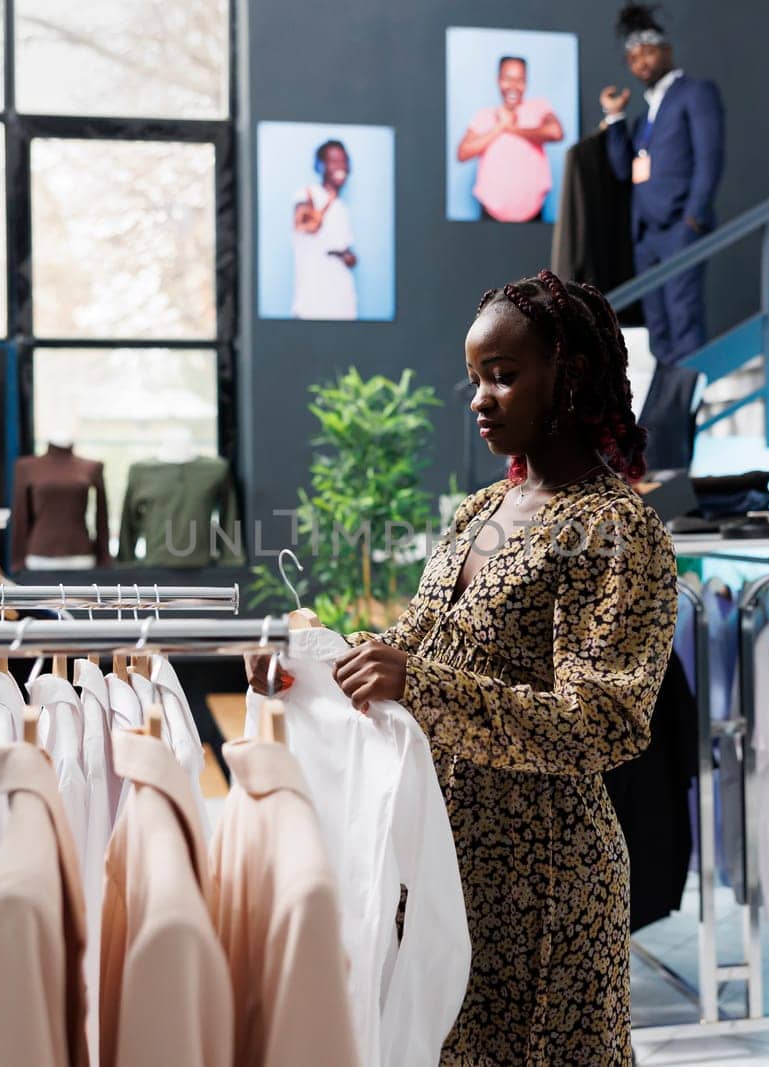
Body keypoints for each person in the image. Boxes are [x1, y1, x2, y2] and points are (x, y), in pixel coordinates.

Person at [248, 269, 676, 1065]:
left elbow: (605, 722)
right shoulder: (477, 510)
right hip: (441, 858)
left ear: (571, 376)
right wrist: (308, 665)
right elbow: (412, 651)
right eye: (477, 377)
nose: (480, 397)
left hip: (546, 884)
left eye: (505, 376)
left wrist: (419, 683)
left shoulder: (619, 529)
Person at [600, 3, 723, 367]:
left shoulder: (695, 92)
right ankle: (668, 404)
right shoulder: (646, 114)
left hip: (680, 226)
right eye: (633, 58)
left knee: (683, 314)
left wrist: (694, 217)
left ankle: (687, 401)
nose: (641, 63)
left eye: (649, 53)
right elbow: (624, 169)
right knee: (659, 323)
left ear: (666, 51)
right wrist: (616, 117)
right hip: (647, 233)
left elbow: (709, 156)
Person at [457, 56, 564, 223]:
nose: (513, 86)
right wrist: (500, 126)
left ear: (526, 83)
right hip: (490, 215)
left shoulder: (539, 107)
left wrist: (512, 128)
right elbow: (463, 152)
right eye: (508, 79)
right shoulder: (485, 115)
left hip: (533, 215)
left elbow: (556, 132)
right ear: (499, 80)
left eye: (520, 80)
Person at [291, 139, 358, 320]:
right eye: (334, 161)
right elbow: (306, 225)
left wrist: (348, 257)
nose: (341, 167)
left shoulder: (342, 207)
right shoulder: (307, 194)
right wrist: (326, 202)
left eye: (344, 161)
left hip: (341, 293)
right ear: (320, 166)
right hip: (313, 293)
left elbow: (342, 248)